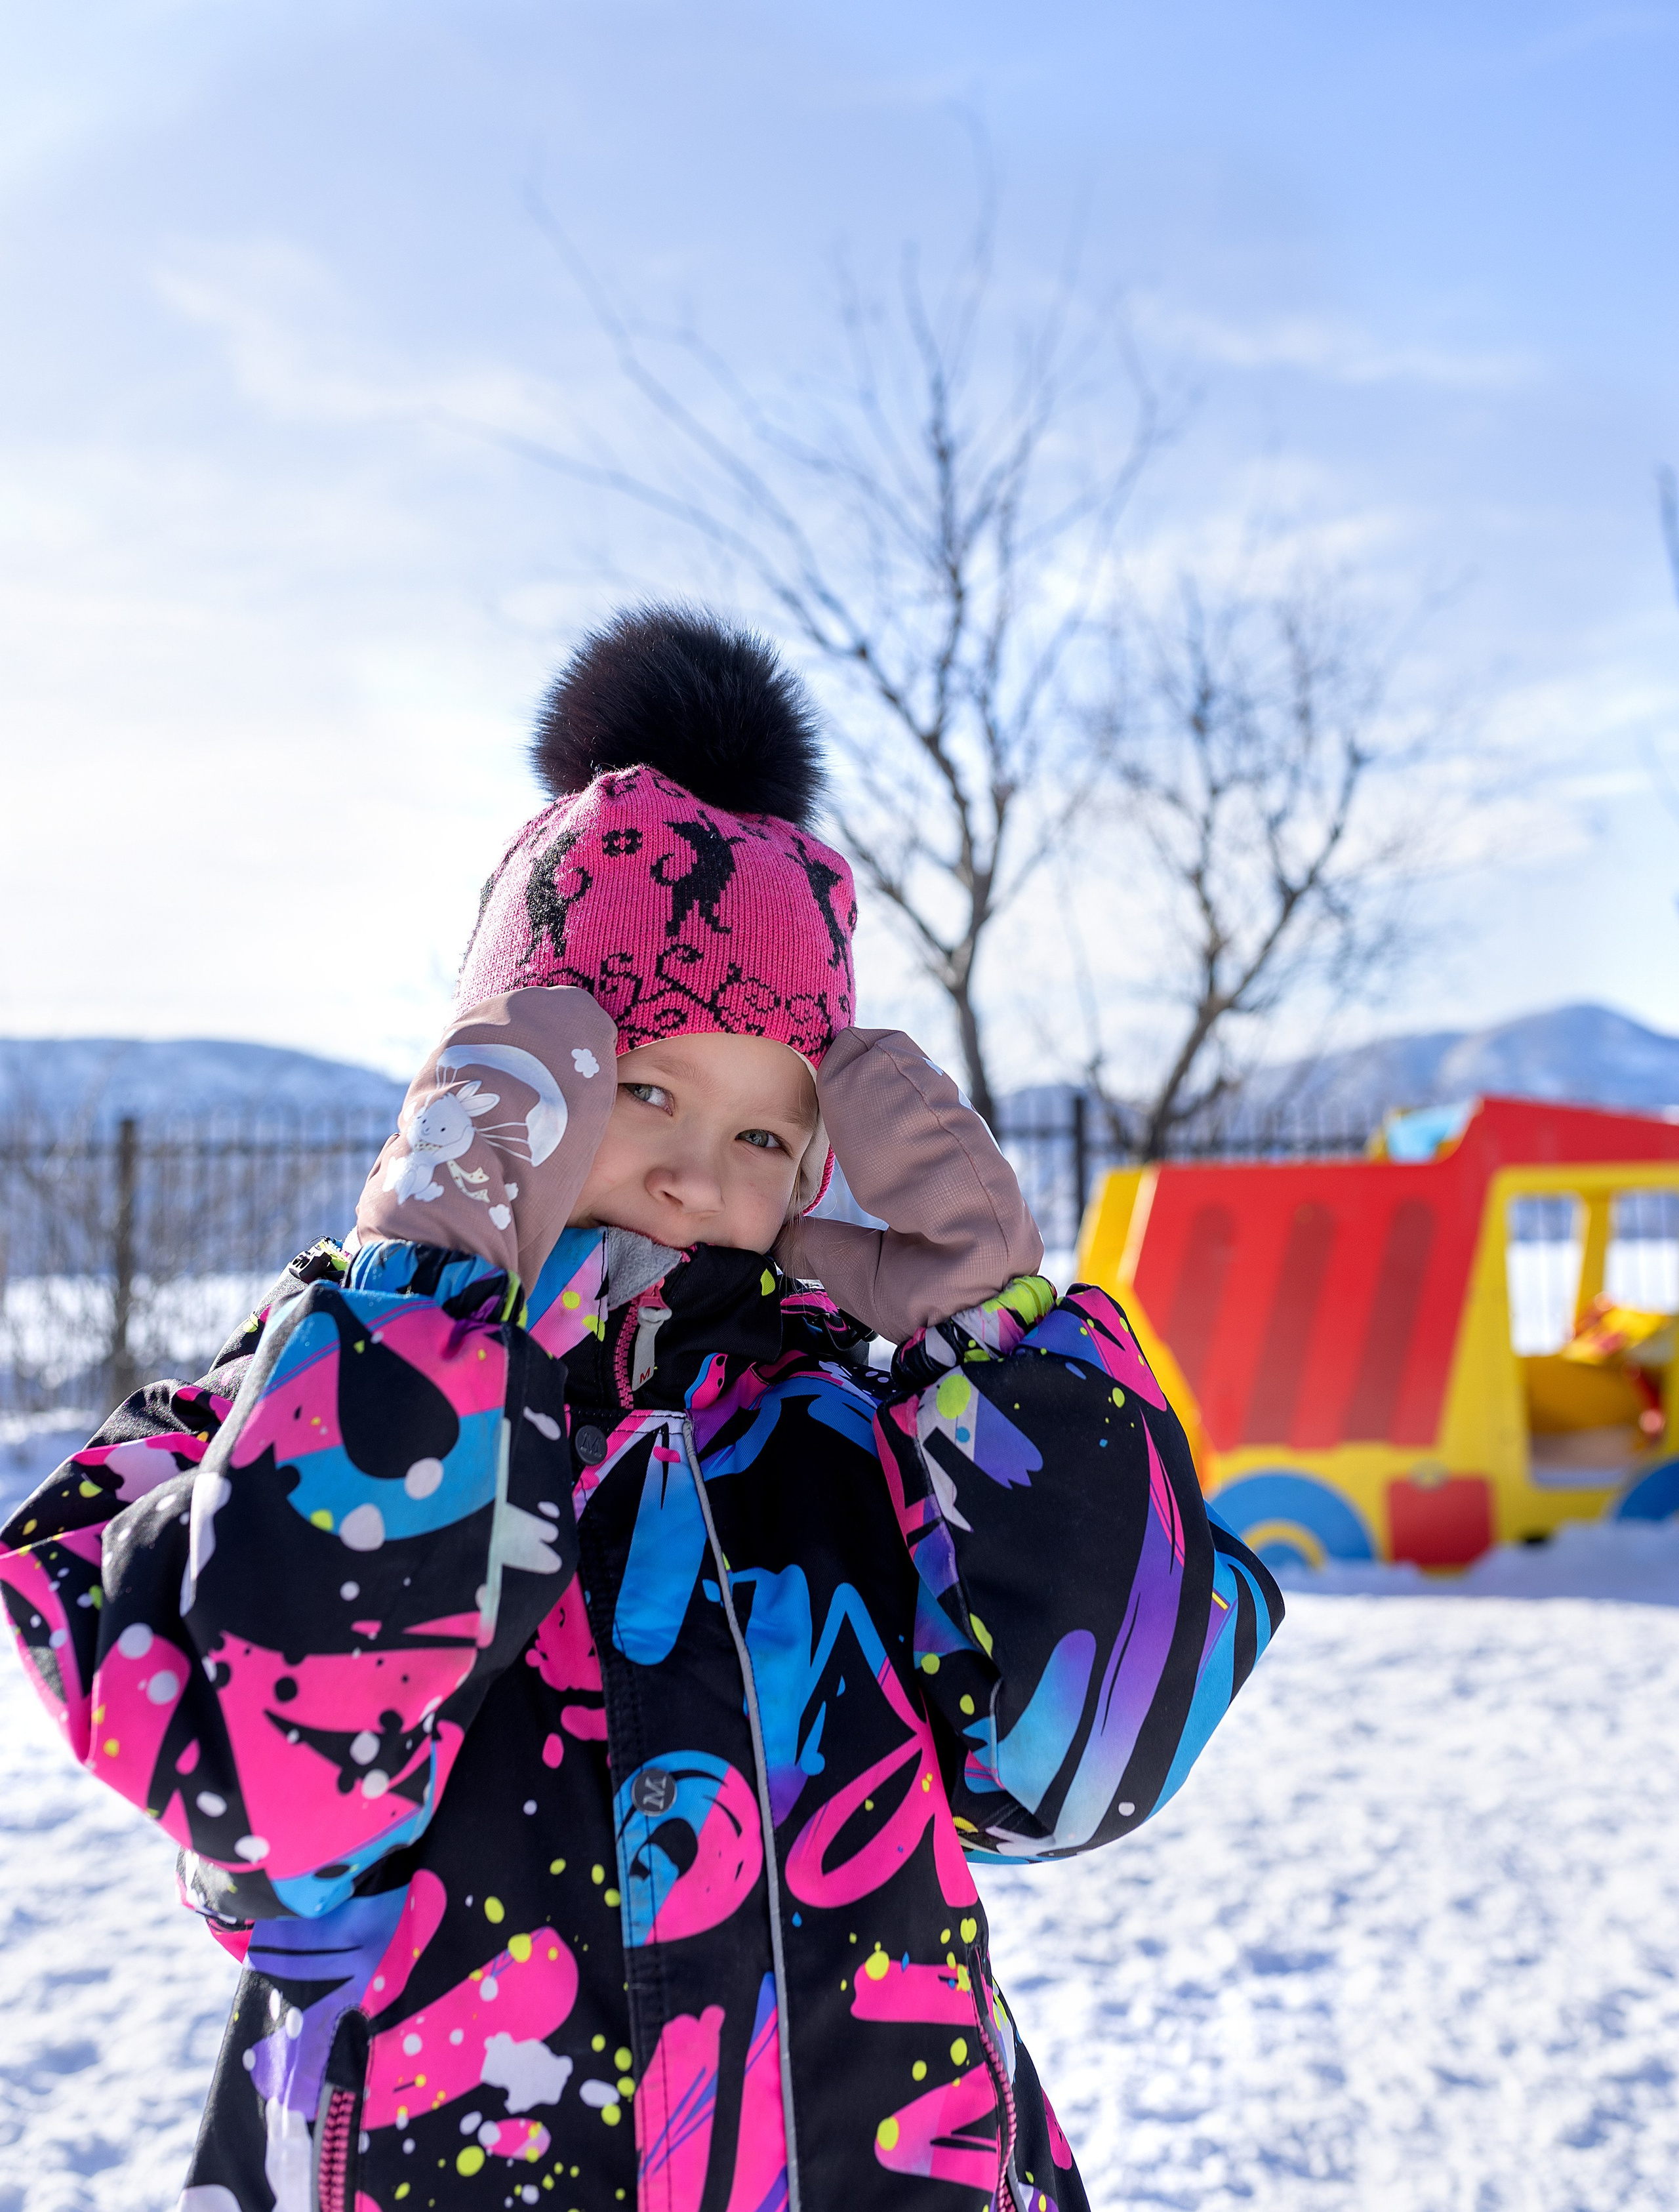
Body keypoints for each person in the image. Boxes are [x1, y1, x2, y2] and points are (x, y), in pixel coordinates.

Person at [0, 607, 1284, 2212]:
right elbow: (274, 1786)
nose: (692, 1175)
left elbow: (1083, 1766)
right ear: (495, 1087)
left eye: (763, 1137)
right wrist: (422, 1309)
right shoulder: (284, 1398)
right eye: (643, 1090)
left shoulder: (865, 1438)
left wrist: (1002, 1342)